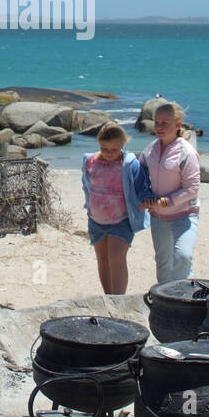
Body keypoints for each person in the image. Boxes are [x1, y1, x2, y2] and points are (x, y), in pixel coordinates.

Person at [81, 122, 151, 296]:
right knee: (103, 260)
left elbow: (142, 184)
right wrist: (88, 205)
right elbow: (86, 184)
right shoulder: (90, 161)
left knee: (116, 258)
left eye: (114, 149)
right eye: (104, 148)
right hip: (96, 219)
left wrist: (146, 200)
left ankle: (118, 299)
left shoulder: (128, 164)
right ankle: (108, 297)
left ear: (122, 145)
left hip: (121, 220)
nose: (109, 153)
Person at [142, 102, 200, 284]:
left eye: (164, 123)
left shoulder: (186, 152)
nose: (159, 127)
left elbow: (192, 189)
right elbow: (140, 174)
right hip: (158, 217)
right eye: (157, 122)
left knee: (183, 257)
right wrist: (143, 196)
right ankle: (164, 302)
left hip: (184, 215)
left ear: (178, 124)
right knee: (163, 264)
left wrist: (165, 202)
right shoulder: (151, 149)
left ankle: (182, 294)